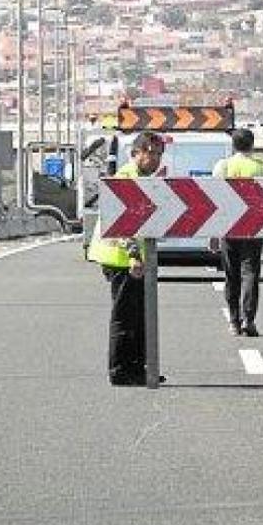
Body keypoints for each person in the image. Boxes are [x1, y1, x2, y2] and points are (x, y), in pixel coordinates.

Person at [88, 131, 167, 386]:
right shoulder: (127, 178)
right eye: (149, 153)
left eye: (158, 154)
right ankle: (121, 370)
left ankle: (139, 367)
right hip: (121, 258)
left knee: (139, 316)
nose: (154, 159)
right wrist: (134, 256)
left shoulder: (144, 178)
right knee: (125, 316)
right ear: (135, 154)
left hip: (132, 258)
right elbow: (122, 223)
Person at [214, 128, 263, 337]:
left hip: (229, 228)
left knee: (232, 276)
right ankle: (249, 319)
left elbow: (216, 200)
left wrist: (213, 232)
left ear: (233, 145)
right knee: (251, 275)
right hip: (254, 229)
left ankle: (234, 321)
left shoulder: (223, 166)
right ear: (252, 145)